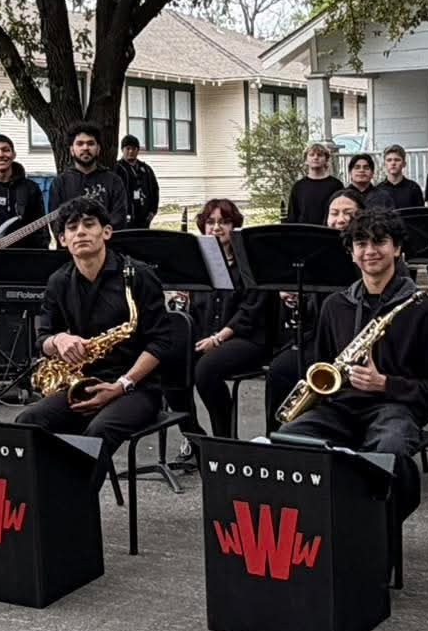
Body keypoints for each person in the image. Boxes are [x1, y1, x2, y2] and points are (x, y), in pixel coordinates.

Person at [271, 208, 428, 555]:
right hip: (340, 408)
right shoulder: (335, 305)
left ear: (397, 248)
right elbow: (323, 366)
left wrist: (384, 384)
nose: (370, 251)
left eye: (380, 242)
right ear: (351, 252)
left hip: (395, 408)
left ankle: (374, 541)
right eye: (361, 243)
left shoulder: (423, 310)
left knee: (388, 449)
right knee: (289, 440)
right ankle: (317, 537)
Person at [16, 199, 178, 447]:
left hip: (137, 387)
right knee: (27, 421)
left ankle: (76, 487)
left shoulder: (139, 275)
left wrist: (122, 384)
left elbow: (161, 341)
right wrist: (58, 340)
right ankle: (45, 486)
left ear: (106, 232)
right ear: (62, 239)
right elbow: (42, 340)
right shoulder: (58, 282)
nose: (80, 232)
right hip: (81, 382)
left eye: (89, 224)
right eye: (71, 228)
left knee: (98, 433)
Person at [264, 190, 366, 422]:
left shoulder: (368, 253)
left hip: (356, 344)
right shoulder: (316, 254)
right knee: (280, 370)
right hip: (318, 339)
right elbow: (312, 311)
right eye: (334, 213)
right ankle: (276, 441)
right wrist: (297, 298)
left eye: (348, 213)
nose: (340, 219)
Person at [187, 198, 278, 440]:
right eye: (211, 222)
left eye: (224, 222)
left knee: (206, 369)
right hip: (208, 337)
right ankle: (192, 434)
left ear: (234, 226)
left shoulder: (250, 260)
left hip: (247, 339)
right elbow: (196, 310)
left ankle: (224, 438)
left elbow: (249, 313)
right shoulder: (199, 262)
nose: (217, 228)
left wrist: (216, 339)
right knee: (168, 364)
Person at [52, 121, 129, 227]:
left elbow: (119, 219)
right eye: (80, 143)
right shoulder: (59, 183)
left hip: (108, 242)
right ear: (72, 150)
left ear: (98, 149)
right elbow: (56, 223)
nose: (85, 148)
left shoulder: (114, 181)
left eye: (90, 143)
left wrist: (96, 237)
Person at [284, 140, 347, 225]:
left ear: (326, 159)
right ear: (306, 160)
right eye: (312, 155)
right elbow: (292, 215)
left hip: (328, 232)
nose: (316, 157)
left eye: (320, 155)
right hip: (304, 232)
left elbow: (342, 210)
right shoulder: (298, 186)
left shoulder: (336, 185)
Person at [115, 134, 161, 228]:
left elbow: (155, 189)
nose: (131, 151)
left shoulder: (146, 169)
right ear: (122, 150)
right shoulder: (117, 169)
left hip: (144, 219)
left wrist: (153, 211)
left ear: (138, 150)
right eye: (128, 148)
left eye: (134, 148)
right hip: (125, 220)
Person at [365, 145, 423, 212]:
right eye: (389, 160)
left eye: (397, 160)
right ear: (384, 164)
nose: (393, 163)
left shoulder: (414, 188)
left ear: (404, 164)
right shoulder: (378, 190)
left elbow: (420, 215)